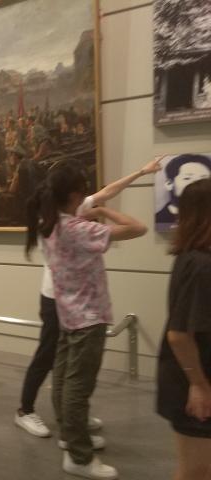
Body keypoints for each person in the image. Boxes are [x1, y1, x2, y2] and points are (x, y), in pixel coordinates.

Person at [15, 158, 162, 438]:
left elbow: (106, 193)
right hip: (59, 300)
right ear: (71, 194)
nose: (86, 196)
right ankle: (28, 410)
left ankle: (71, 421)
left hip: (69, 299)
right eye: (81, 190)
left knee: (67, 367)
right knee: (55, 361)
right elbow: (130, 224)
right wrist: (102, 210)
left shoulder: (59, 212)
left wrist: (141, 172)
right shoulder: (62, 222)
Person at [157, 178, 211, 480]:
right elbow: (178, 335)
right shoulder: (200, 265)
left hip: (196, 377)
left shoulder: (193, 257)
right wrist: (199, 384)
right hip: (193, 382)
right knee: (196, 471)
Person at [155, 154, 211, 229]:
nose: (196, 184)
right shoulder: (160, 218)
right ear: (169, 184)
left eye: (203, 179)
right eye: (187, 178)